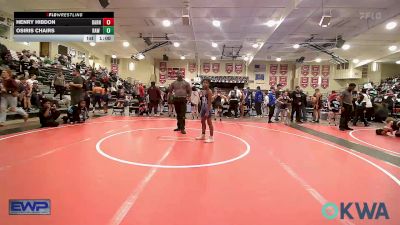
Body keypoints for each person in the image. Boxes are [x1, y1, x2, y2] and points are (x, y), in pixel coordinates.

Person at [195, 78, 214, 143]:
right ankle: (203, 135)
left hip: (207, 108)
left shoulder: (209, 91)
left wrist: (207, 111)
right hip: (203, 107)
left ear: (209, 84)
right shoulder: (203, 91)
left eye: (206, 82)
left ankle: (211, 138)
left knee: (209, 123)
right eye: (204, 82)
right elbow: (202, 100)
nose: (205, 84)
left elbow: (209, 102)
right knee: (202, 122)